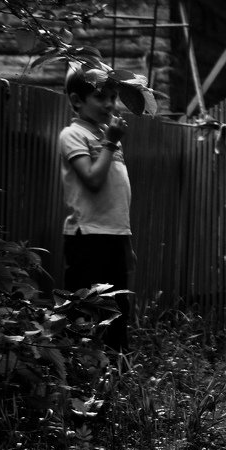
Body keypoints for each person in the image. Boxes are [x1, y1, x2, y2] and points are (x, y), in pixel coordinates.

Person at [58, 64, 134, 350]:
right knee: (84, 309)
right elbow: (92, 180)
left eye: (113, 97)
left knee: (118, 309)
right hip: (87, 237)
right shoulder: (73, 135)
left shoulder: (108, 137)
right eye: (101, 97)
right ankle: (79, 366)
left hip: (115, 236)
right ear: (77, 100)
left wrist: (127, 242)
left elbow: (118, 198)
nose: (110, 104)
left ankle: (116, 367)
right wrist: (110, 143)